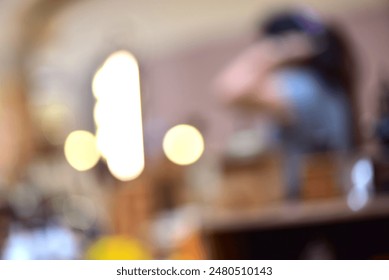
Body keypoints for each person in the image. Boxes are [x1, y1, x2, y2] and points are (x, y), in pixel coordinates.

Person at [214, 9, 357, 199]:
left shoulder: (302, 88)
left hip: (311, 203)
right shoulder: (327, 87)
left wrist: (279, 49)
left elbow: (227, 89)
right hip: (334, 198)